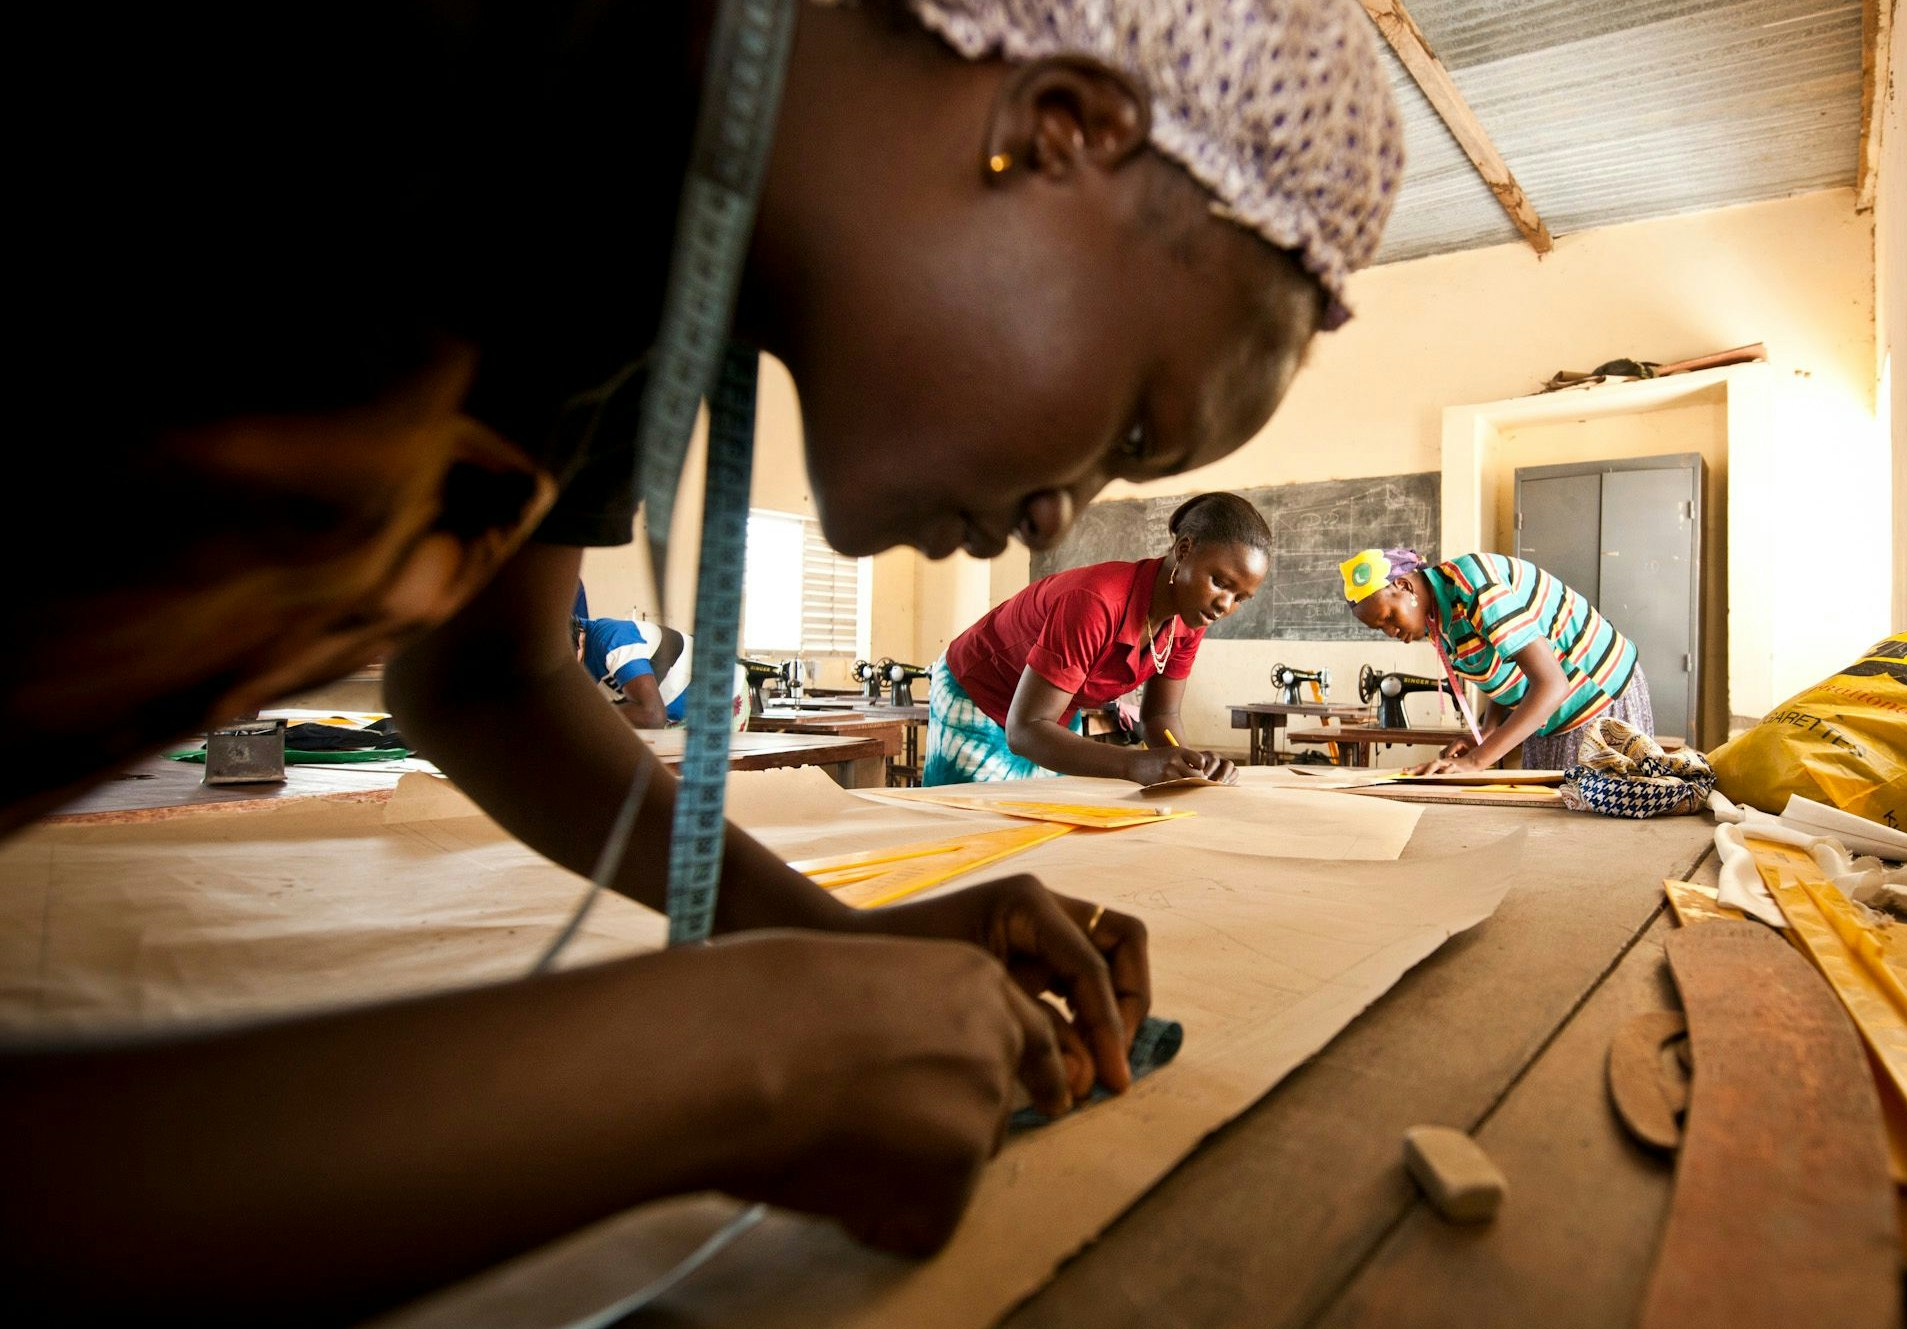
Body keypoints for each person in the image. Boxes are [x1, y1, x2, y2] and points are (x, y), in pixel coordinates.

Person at [8, 1, 1401, 1320]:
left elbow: (488, 681)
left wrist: (826, 942)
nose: (1064, 510)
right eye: (1135, 434)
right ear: (1055, 129)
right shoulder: (392, 73)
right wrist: (726, 1061)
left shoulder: (635, 257)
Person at [927, 492, 1268, 786]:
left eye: (1240, 598)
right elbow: (1025, 730)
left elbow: (1159, 715)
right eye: (1220, 582)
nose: (1225, 605)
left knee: (1042, 834)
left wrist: (1193, 770)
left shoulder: (1190, 619)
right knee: (971, 834)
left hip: (1049, 716)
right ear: (1184, 550)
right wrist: (1136, 763)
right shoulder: (1097, 602)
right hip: (979, 695)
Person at [1340, 548, 1653, 774]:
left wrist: (1475, 762)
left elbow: (1553, 684)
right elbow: (1506, 668)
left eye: (1388, 619)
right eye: (1381, 629)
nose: (1391, 632)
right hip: (1550, 719)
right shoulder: (1440, 618)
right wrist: (1486, 733)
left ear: (1405, 587)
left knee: (1583, 840)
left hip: (1596, 699)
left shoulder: (1473, 585)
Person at [575, 615, 753, 730]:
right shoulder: (576, 664)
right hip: (675, 716)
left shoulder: (612, 638)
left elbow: (652, 715)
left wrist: (586, 713)